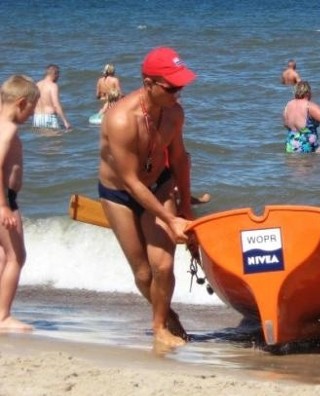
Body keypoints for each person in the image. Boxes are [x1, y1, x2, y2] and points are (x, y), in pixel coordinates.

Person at [98, 47, 196, 347]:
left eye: (181, 86)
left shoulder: (174, 113)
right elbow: (130, 181)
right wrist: (170, 219)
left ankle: (159, 328)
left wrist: (186, 211)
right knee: (143, 273)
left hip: (160, 184)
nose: (177, 93)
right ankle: (168, 315)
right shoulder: (120, 120)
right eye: (171, 87)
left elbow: (179, 159)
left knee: (163, 266)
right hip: (120, 194)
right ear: (148, 82)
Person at [0, 75, 40, 331]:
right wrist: (4, 205)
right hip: (4, 199)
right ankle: (3, 317)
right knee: (17, 256)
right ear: (22, 103)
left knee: (3, 256)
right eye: (32, 109)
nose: (32, 115)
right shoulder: (10, 128)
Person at [33, 64, 71, 130]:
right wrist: (65, 121)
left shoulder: (37, 84)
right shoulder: (53, 86)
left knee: (42, 139)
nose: (58, 77)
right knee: (55, 139)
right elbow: (56, 105)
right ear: (54, 74)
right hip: (49, 117)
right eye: (58, 74)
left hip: (37, 118)